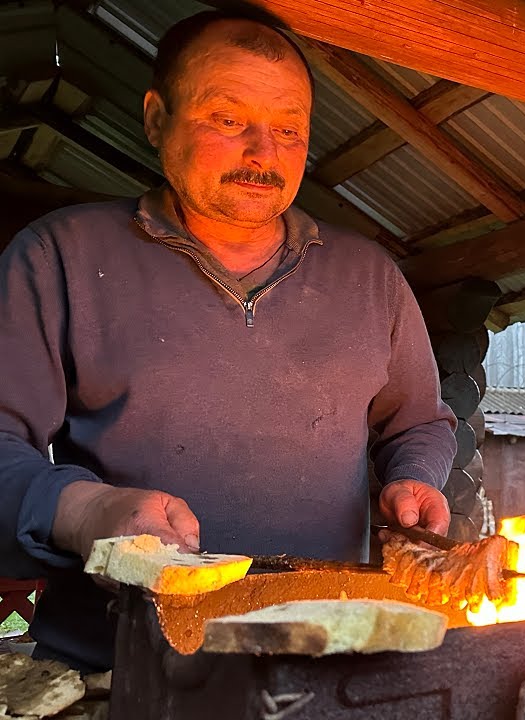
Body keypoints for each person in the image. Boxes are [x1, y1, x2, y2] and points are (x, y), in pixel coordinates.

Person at [0, 11, 458, 671]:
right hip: (118, 666)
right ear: (157, 119)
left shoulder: (370, 278)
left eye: (288, 130)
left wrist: (414, 480)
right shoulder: (59, 257)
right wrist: (84, 509)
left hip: (327, 666)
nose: (263, 155)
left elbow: (418, 421)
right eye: (228, 119)